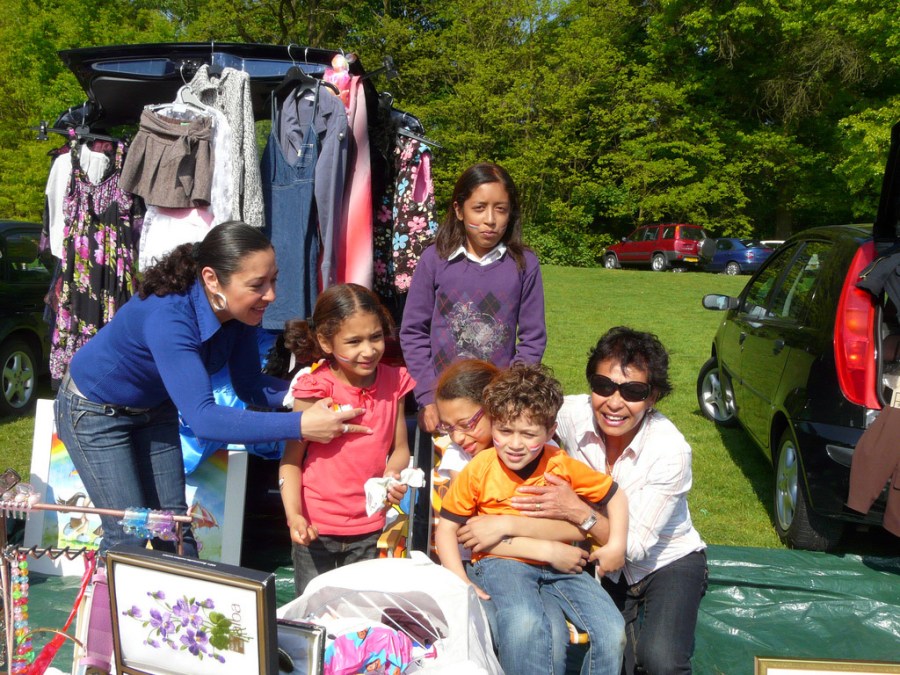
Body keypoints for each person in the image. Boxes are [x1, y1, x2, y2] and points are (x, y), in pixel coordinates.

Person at [55, 221, 365, 557]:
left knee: (172, 528)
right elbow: (203, 418)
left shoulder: (241, 311)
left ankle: (186, 609)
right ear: (212, 279)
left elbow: (249, 386)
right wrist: (301, 424)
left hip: (154, 408)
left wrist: (308, 392)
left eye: (273, 280)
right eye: (258, 284)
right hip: (94, 413)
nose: (271, 295)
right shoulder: (170, 317)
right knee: (129, 533)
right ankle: (112, 610)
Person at [466, 327, 708, 675]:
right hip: (598, 560)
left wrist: (576, 510)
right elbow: (514, 413)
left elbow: (634, 546)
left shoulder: (671, 452)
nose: (614, 402)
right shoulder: (572, 413)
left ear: (653, 397)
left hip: (664, 561)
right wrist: (457, 426)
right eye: (603, 386)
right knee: (611, 650)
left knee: (662, 660)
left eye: (634, 391)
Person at [436, 363, 627, 675]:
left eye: (528, 434)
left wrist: (617, 542)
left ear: (550, 432)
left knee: (612, 630)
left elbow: (614, 495)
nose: (514, 444)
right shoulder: (479, 468)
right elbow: (448, 528)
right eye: (505, 431)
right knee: (525, 623)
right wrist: (461, 580)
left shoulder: (560, 464)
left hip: (565, 567)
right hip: (503, 565)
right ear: (493, 422)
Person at [279, 283, 415, 595]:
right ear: (326, 341)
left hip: (369, 527)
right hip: (316, 530)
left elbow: (400, 449)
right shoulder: (314, 389)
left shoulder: (394, 382)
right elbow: (291, 461)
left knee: (359, 615)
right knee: (315, 612)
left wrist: (392, 475)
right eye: (353, 341)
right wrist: (295, 516)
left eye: (376, 336)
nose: (368, 350)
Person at [399, 162, 546, 432]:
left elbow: (533, 338)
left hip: (496, 406)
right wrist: (428, 397)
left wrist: (508, 395)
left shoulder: (524, 264)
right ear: (458, 209)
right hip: (442, 405)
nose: (490, 219)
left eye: (500, 209)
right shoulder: (435, 259)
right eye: (479, 208)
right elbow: (413, 332)